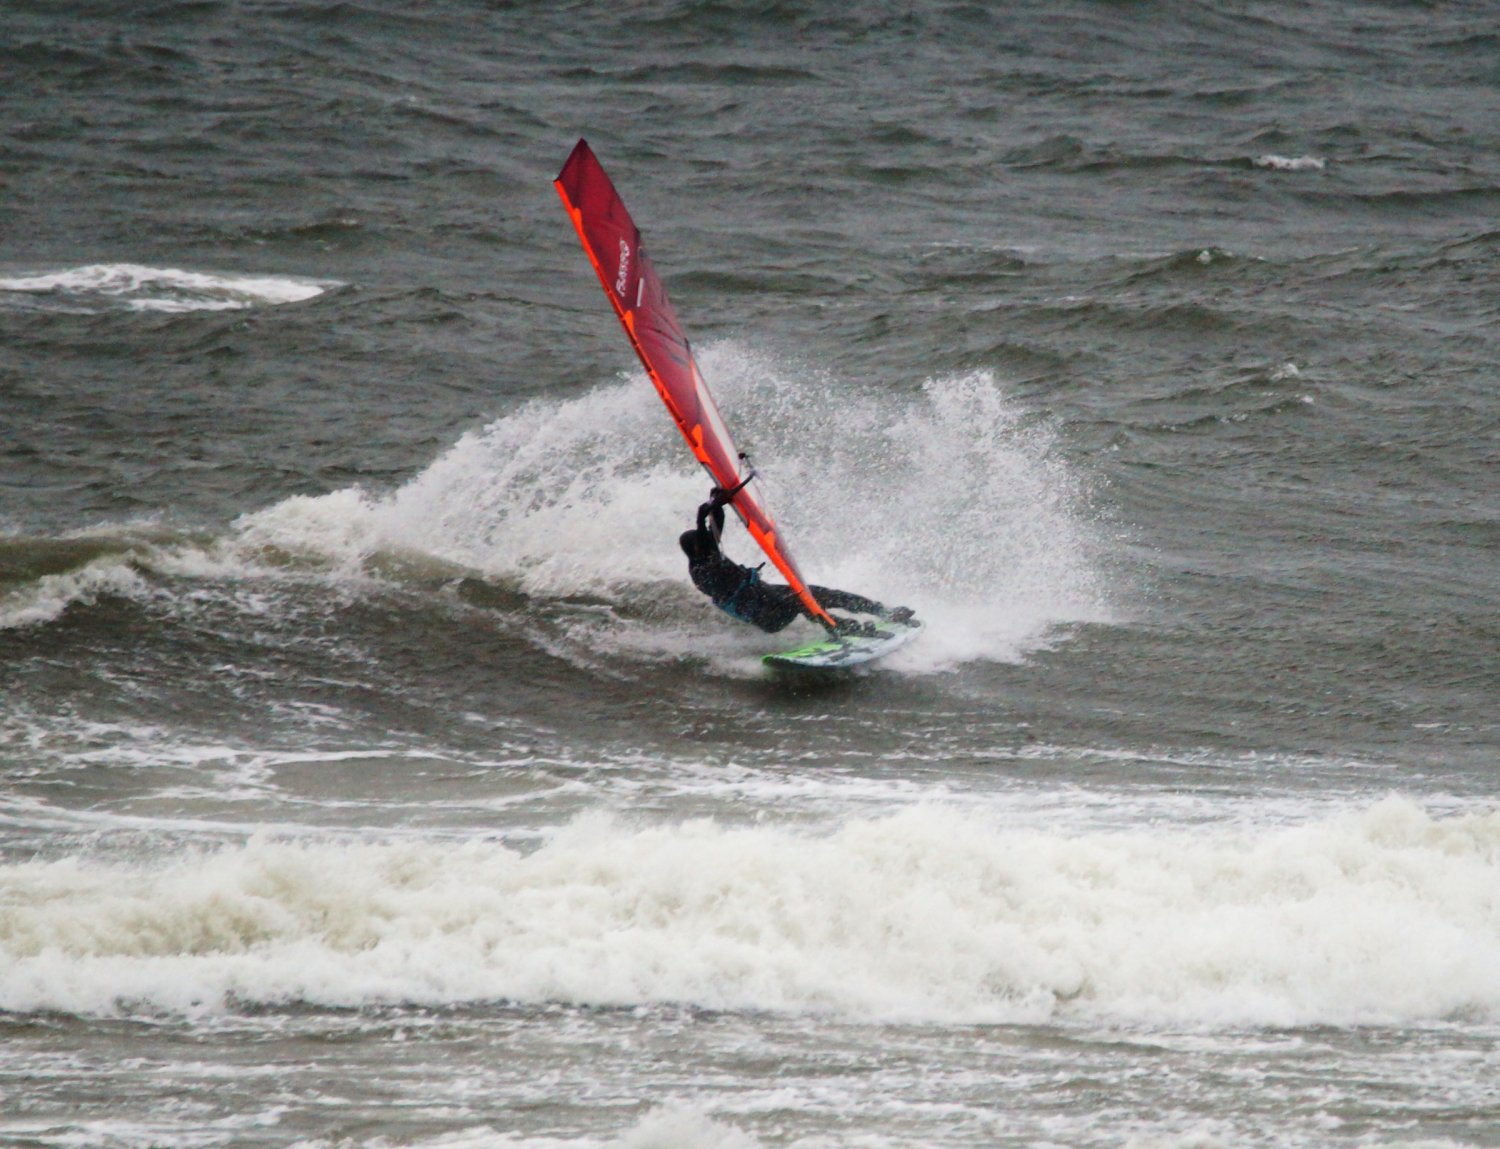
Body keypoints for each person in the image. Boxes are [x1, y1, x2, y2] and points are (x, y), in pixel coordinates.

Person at [678, 488, 914, 636]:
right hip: (767, 615)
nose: (711, 540)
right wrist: (701, 519)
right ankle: (841, 628)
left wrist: (715, 499)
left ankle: (882, 611)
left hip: (768, 596)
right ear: (697, 547)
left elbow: (715, 523)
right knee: (803, 600)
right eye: (705, 540)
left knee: (819, 592)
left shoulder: (710, 552)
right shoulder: (702, 572)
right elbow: (707, 534)